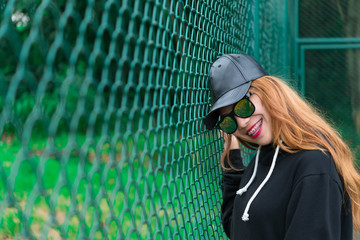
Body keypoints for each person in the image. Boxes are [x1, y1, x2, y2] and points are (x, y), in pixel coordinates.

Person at [204, 53, 360, 239]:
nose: (242, 123)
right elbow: (240, 228)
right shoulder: (265, 156)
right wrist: (232, 157)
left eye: (242, 106)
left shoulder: (314, 165)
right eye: (229, 121)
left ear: (269, 90)